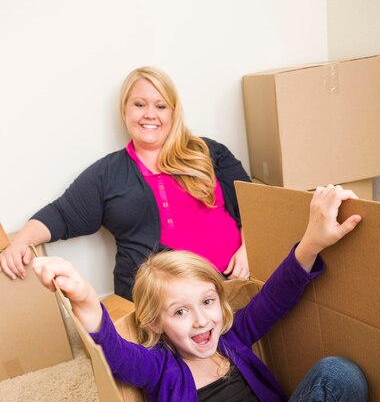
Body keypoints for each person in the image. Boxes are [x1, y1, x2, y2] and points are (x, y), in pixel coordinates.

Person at [33, 184, 368, 402]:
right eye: (180, 311)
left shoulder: (232, 338)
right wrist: (87, 300)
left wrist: (312, 242)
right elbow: (117, 355)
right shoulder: (158, 366)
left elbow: (274, 297)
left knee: (338, 373)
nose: (201, 320)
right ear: (155, 323)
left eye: (207, 302)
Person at [0, 66, 251, 300]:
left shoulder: (209, 152)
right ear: (125, 111)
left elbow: (255, 205)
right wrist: (21, 242)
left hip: (229, 285)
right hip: (156, 303)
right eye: (139, 104)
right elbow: (60, 215)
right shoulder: (107, 174)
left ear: (173, 112)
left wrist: (250, 247)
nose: (150, 114)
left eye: (161, 106)